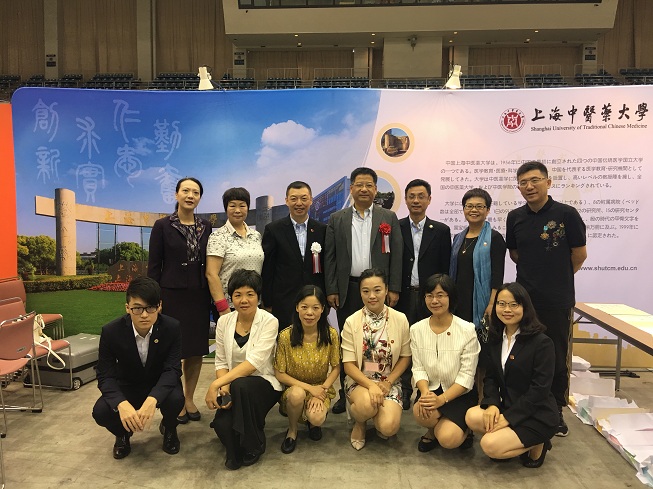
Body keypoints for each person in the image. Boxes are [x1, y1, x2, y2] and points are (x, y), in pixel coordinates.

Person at [505, 161, 587, 436]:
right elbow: (515, 254)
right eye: (523, 182)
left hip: (556, 299)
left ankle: (555, 410)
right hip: (524, 300)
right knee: (523, 354)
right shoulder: (515, 217)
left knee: (555, 354)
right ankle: (523, 406)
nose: (529, 186)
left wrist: (556, 277)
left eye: (535, 180)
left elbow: (579, 255)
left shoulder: (566, 214)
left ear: (548, 182)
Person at [325, 167, 403, 414]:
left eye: (369, 185)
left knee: (380, 340)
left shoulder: (388, 217)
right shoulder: (337, 218)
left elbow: (397, 255)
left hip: (379, 290)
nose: (364, 189)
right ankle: (344, 393)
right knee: (348, 343)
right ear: (351, 188)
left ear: (376, 189)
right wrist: (332, 289)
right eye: (359, 184)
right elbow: (330, 257)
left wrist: (394, 288)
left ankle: (385, 387)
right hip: (348, 288)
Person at [465, 282, 558, 468]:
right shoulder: (496, 338)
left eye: (514, 304)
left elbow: (539, 390)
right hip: (508, 406)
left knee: (489, 445)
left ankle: (539, 441)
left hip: (537, 413)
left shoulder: (542, 343)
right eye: (501, 304)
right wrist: (492, 404)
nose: (507, 310)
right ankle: (510, 440)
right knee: (472, 416)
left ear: (525, 307)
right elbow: (490, 377)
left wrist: (508, 418)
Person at [92, 277, 184, 459]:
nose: (144, 315)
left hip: (158, 382)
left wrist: (153, 399)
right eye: (137, 308)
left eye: (150, 308)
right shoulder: (111, 332)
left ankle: (169, 428)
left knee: (176, 399)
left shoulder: (172, 328)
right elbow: (105, 375)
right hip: (128, 385)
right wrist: (121, 403)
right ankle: (122, 434)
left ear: (159, 306)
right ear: (127, 308)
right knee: (101, 411)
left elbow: (172, 369)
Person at [148, 176, 211, 424]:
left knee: (195, 350)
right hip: (171, 296)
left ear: (199, 198)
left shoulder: (206, 226)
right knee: (173, 351)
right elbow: (154, 267)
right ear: (176, 195)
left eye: (195, 192)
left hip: (199, 296)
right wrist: (155, 299)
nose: (190, 196)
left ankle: (189, 398)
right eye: (185, 191)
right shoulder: (162, 226)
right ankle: (174, 400)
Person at [204, 269, 282, 470]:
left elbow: (254, 363)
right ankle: (237, 449)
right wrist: (224, 389)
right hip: (233, 385)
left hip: (264, 383)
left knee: (241, 385)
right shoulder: (224, 322)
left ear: (258, 297)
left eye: (250, 294)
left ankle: (253, 445)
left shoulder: (270, 321)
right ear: (231, 298)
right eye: (238, 295)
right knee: (222, 424)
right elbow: (221, 362)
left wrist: (216, 384)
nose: (244, 300)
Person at [341, 268, 411, 450]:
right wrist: (370, 385)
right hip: (360, 381)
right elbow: (348, 365)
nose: (372, 296)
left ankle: (377, 415)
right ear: (360, 293)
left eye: (377, 290)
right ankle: (360, 423)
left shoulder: (400, 319)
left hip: (388, 382)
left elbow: (405, 357)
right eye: (366, 291)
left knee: (389, 428)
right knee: (367, 406)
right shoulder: (351, 321)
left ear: (386, 290)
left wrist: (388, 382)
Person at [396, 178, 451, 410]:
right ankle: (404, 389)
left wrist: (440, 296)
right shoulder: (395, 227)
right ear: (406, 199)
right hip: (402, 295)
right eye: (412, 196)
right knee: (403, 342)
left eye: (421, 196)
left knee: (428, 343)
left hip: (430, 297)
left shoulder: (441, 230)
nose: (416, 200)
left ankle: (425, 391)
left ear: (429, 199)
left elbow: (445, 268)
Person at [410, 274, 479, 452]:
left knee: (448, 440)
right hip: (432, 389)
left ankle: (465, 429)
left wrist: (441, 400)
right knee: (420, 412)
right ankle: (433, 429)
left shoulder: (467, 330)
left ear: (451, 297)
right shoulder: (416, 329)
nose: (434, 301)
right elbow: (418, 368)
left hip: (459, 393)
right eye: (430, 295)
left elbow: (467, 376)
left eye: (440, 295)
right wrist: (425, 393)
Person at [450, 188, 506, 397]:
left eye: (479, 206)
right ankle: (462, 396)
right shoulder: (458, 238)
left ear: (487, 210)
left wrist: (491, 304)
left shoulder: (495, 238)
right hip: (459, 303)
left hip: (482, 304)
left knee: (482, 353)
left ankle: (482, 397)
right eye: (469, 206)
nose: (474, 210)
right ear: (464, 209)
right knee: (461, 351)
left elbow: (498, 275)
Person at [273, 286, 340, 454]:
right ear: (297, 307)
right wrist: (310, 389)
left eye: (315, 308)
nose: (309, 313)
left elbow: (336, 367)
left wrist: (322, 390)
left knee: (317, 418)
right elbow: (280, 373)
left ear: (323, 309)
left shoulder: (331, 334)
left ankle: (312, 423)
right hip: (294, 388)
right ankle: (292, 430)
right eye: (304, 307)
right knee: (297, 395)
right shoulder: (285, 336)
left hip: (320, 387)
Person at [262, 181, 327, 330]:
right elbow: (268, 269)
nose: (299, 203)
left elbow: (327, 266)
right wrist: (268, 301)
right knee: (285, 340)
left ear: (311, 200)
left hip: (315, 300)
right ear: (286, 201)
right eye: (294, 199)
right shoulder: (273, 229)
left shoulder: (322, 230)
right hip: (284, 301)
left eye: (304, 198)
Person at [206, 187, 264, 316]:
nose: (237, 210)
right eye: (232, 206)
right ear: (226, 208)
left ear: (247, 208)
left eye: (242, 205)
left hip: (254, 303)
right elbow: (211, 274)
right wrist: (222, 307)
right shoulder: (218, 237)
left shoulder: (256, 235)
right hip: (230, 306)